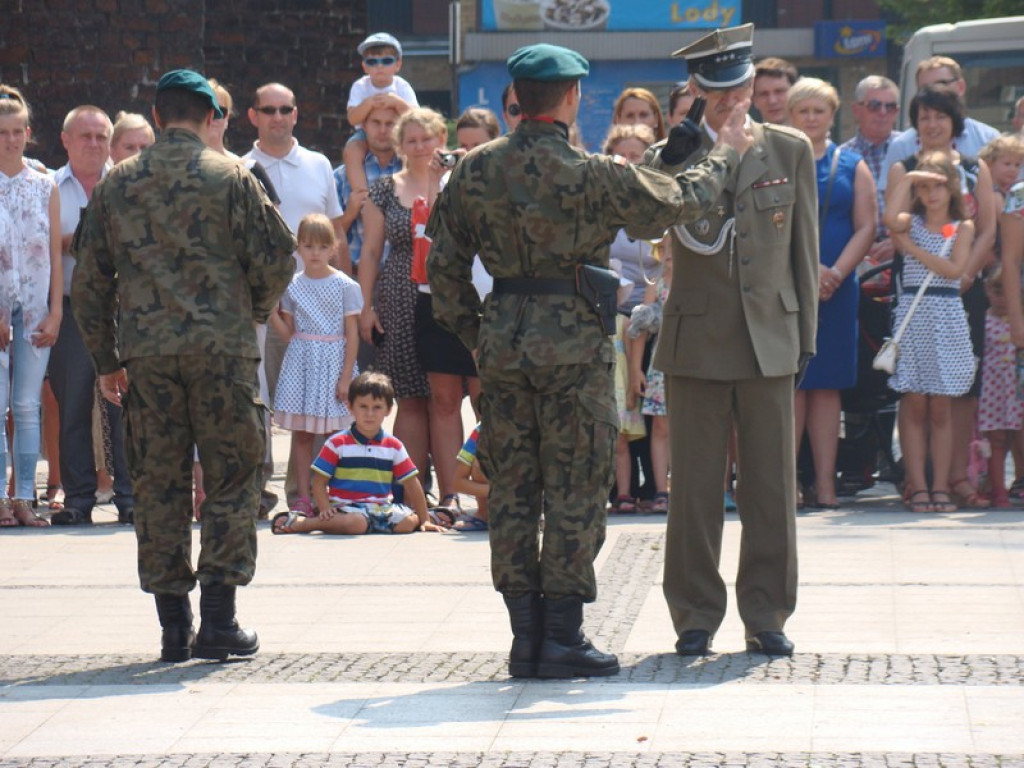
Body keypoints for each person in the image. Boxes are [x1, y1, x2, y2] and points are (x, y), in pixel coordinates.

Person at [426, 42, 750, 678]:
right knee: (575, 487)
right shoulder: (592, 172)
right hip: (574, 346)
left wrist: (480, 334)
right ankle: (564, 637)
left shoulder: (474, 170)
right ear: (572, 98)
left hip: (505, 344)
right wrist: (721, 157)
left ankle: (525, 639)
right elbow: (676, 202)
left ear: (515, 100)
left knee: (514, 489)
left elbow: (443, 268)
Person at [70, 69, 296, 663]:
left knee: (158, 484)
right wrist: (250, 311)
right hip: (222, 352)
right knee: (230, 479)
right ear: (209, 116)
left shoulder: (116, 184)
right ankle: (219, 620)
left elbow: (90, 285)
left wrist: (108, 360)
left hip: (148, 357)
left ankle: (173, 625)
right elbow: (278, 258)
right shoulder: (232, 177)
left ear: (159, 112)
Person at [646, 23, 818, 657]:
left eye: (737, 89)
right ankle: (695, 612)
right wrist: (703, 144)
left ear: (752, 84)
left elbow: (804, 247)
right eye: (714, 93)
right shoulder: (675, 154)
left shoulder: (790, 149)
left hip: (769, 332)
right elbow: (656, 214)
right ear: (696, 91)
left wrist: (805, 337)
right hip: (697, 339)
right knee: (693, 489)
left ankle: (766, 611)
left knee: (771, 484)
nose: (729, 103)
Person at [359, 108, 475, 519]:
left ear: (440, 138)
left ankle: (452, 492)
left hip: (447, 294)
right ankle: (411, 492)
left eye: (426, 139)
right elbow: (371, 252)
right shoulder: (384, 189)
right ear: (399, 144)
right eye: (411, 140)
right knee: (409, 397)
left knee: (446, 398)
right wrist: (366, 306)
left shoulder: (457, 181)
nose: (420, 147)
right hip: (397, 295)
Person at [885, 84, 997, 510]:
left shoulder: (973, 167)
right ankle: (918, 483)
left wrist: (966, 271)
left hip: (959, 288)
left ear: (954, 123)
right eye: (924, 117)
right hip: (914, 295)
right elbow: (892, 224)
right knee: (914, 395)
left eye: (940, 116)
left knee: (955, 393)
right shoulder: (905, 167)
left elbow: (984, 224)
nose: (932, 124)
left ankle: (955, 478)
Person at [787, 78, 877, 509]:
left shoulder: (852, 162)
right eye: (802, 110)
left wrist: (838, 273)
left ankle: (824, 483)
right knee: (792, 386)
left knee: (827, 390)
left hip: (837, 291)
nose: (810, 118)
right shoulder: (776, 161)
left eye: (818, 110)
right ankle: (788, 484)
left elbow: (867, 226)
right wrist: (809, 270)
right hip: (788, 285)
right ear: (790, 115)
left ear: (833, 113)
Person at [49, 104, 135, 526]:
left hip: (122, 312)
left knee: (126, 406)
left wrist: (74, 242)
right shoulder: (49, 186)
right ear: (65, 140)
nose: (94, 144)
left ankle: (130, 497)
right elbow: (39, 248)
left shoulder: (125, 186)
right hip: (69, 312)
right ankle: (79, 498)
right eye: (85, 136)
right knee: (75, 406)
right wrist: (73, 242)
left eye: (102, 137)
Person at [883, 151, 976, 513]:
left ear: (951, 186)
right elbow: (889, 217)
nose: (931, 194)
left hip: (946, 314)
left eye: (937, 185)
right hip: (913, 316)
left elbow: (953, 271)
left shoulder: (962, 227)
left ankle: (940, 486)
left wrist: (909, 249)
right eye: (923, 187)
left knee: (942, 406)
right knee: (914, 401)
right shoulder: (910, 221)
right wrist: (907, 179)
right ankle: (917, 485)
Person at [270, 371, 444, 535]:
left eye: (377, 407)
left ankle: (386, 523)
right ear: (350, 407)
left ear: (388, 410)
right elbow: (319, 482)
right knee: (356, 524)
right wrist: (324, 510)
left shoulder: (394, 445)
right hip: (347, 508)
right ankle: (305, 524)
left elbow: (412, 483)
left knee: (407, 522)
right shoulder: (337, 443)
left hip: (381, 508)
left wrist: (424, 520)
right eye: (363, 406)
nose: (370, 414)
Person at [268, 213, 361, 516]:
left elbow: (352, 334)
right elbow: (289, 334)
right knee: (303, 433)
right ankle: (304, 496)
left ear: (333, 248)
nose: (315, 253)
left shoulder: (345, 285)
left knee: (336, 433)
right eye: (308, 246)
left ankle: (337, 492)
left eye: (322, 246)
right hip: (302, 363)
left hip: (333, 361)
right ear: (298, 248)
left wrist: (346, 376)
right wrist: (271, 314)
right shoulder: (292, 286)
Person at [0, 84, 61, 528]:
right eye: (2, 132)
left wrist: (56, 311)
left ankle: (24, 497)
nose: (11, 139)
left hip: (36, 309)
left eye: (18, 131)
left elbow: (57, 256)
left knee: (26, 406)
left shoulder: (45, 185)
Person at [879, 56, 999, 198]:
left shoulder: (989, 139)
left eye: (941, 84)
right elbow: (890, 206)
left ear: (961, 87)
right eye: (925, 88)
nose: (934, 93)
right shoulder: (902, 146)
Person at [840, 75, 903, 278]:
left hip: (907, 254)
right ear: (856, 110)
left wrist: (898, 242)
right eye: (875, 106)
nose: (883, 113)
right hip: (856, 260)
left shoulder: (912, 149)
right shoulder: (840, 158)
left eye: (890, 106)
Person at [343, 32, 417, 198]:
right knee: (352, 149)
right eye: (372, 62)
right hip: (365, 133)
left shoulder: (402, 86)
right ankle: (362, 194)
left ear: (398, 65)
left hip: (399, 132)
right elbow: (352, 118)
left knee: (412, 149)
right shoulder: (360, 86)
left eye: (386, 61)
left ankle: (409, 189)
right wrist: (368, 103)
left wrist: (397, 103)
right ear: (364, 66)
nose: (380, 66)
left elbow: (416, 118)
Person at [627, 249, 673, 515]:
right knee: (660, 427)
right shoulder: (655, 283)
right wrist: (635, 369)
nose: (668, 254)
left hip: (694, 361)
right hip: (660, 365)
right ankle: (660, 489)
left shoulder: (698, 278)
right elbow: (641, 325)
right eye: (663, 248)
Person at [977, 265, 1021, 508]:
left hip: (1018, 390)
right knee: (996, 440)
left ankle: (1019, 481)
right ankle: (997, 490)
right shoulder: (983, 321)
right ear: (987, 290)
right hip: (993, 391)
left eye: (1009, 291)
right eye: (997, 290)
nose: (1002, 298)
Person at [451, 422, 489, 531]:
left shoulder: (532, 424)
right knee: (479, 464)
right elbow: (458, 482)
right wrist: (498, 491)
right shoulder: (481, 431)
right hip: (497, 490)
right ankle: (484, 514)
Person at [751, 56, 797, 125]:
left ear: (795, 93)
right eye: (764, 94)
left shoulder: (813, 135)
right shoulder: (746, 135)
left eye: (779, 91)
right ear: (754, 100)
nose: (772, 101)